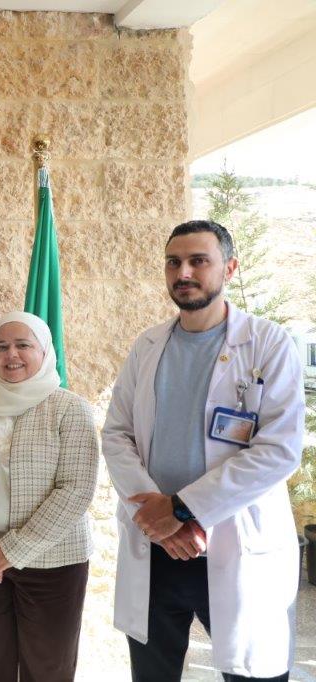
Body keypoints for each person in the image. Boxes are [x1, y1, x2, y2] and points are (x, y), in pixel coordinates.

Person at [102, 220, 305, 682]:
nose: (184, 272)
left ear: (229, 268)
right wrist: (158, 518)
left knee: (253, 673)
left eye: (199, 261)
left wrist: (182, 509)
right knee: (153, 673)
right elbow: (117, 434)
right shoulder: (148, 346)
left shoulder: (268, 344)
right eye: (173, 262)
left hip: (233, 543)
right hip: (158, 548)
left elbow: (279, 449)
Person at [0, 311, 98, 682]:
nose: (11, 354)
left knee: (47, 668)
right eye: (1, 346)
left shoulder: (69, 409)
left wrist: (10, 551)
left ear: (44, 352)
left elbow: (75, 489)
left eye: (23, 345)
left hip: (52, 563)